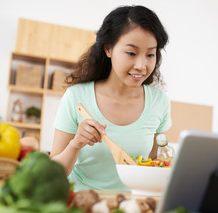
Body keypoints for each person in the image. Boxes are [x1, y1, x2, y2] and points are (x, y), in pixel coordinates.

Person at [50, 5, 171, 192]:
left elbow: (153, 165)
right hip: (82, 204)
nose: (141, 65)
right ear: (108, 49)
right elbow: (53, 172)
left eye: (150, 55)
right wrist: (76, 144)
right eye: (131, 53)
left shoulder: (159, 102)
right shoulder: (76, 97)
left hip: (131, 207)